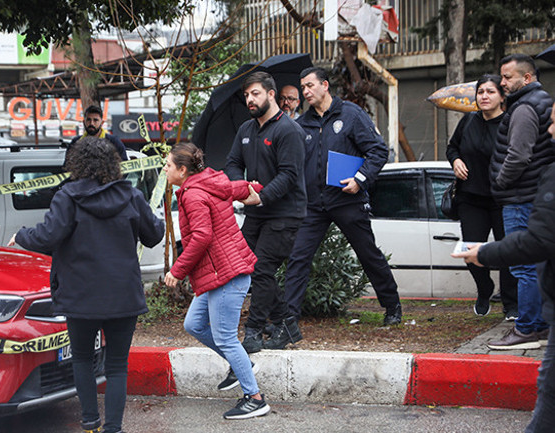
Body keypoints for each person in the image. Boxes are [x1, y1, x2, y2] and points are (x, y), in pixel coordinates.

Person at [8, 137, 164, 433]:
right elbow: (154, 235)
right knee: (117, 366)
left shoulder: (67, 196)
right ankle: (113, 428)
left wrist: (22, 235)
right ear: (113, 164)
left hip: (80, 296)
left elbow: (47, 237)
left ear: (77, 164)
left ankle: (90, 424)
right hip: (123, 296)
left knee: (82, 360)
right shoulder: (130, 195)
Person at [453, 100, 555, 433]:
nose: (550, 131)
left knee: (548, 400)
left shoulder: (549, 175)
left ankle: (524, 324)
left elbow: (536, 241)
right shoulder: (468, 125)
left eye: (554, 123)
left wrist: (485, 253)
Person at [284, 67, 402, 326]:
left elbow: (378, 152)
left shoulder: (350, 114)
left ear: (325, 85)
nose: (305, 92)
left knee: (368, 253)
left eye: (310, 86)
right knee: (298, 258)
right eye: (302, 88)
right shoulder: (302, 124)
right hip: (314, 205)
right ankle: (289, 316)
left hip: (347, 199)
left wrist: (360, 180)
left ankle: (392, 305)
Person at [163, 142, 270, 419]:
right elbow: (233, 188)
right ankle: (240, 364)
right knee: (194, 324)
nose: (165, 168)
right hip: (220, 272)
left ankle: (255, 398)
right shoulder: (209, 180)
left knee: (225, 338)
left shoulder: (192, 195)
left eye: (168, 165)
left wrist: (177, 270)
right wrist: (253, 187)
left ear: (183, 170)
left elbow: (201, 237)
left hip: (226, 274)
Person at [224, 71, 307, 352]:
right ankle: (286, 323)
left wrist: (260, 196)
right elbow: (233, 163)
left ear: (271, 95)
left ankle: (254, 331)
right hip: (256, 211)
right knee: (246, 265)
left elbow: (289, 175)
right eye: (247, 95)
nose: (250, 99)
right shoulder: (245, 130)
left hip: (285, 212)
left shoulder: (288, 130)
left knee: (261, 268)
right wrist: (241, 186)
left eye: (255, 93)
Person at [486, 53, 555, 349]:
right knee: (535, 265)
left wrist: (500, 182)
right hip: (532, 194)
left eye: (507, 77)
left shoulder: (525, 107)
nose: (502, 83)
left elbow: (519, 155)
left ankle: (527, 329)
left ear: (526, 78)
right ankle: (538, 326)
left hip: (521, 196)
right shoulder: (540, 101)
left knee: (524, 267)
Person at [445, 74, 518, 320]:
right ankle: (485, 288)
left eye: (490, 92)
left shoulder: (510, 123)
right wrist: (455, 160)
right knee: (469, 251)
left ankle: (511, 304)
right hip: (471, 198)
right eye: (480, 92)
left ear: (502, 96)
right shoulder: (468, 121)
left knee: (507, 253)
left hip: (503, 199)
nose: (484, 96)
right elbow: (452, 146)